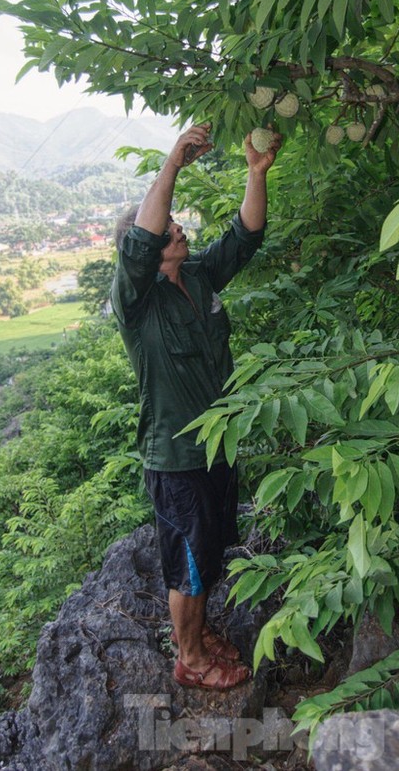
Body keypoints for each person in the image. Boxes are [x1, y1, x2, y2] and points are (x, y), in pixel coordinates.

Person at [111, 122, 282, 690]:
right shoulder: (136, 301)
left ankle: (200, 632)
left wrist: (256, 173)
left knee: (209, 549)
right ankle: (190, 658)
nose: (178, 230)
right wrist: (172, 164)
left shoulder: (200, 276)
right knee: (187, 562)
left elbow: (246, 235)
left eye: (178, 227)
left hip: (219, 447)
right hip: (178, 456)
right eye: (170, 230)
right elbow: (139, 242)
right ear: (148, 250)